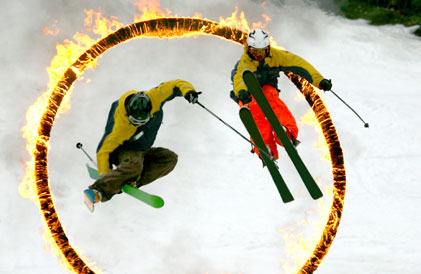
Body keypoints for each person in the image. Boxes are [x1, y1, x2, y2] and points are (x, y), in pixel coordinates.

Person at [83, 79, 201, 211]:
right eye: (134, 122)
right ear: (129, 114)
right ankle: (96, 192)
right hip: (122, 150)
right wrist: (105, 175)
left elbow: (175, 85)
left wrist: (188, 92)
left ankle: (132, 180)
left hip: (141, 149)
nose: (138, 125)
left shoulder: (155, 97)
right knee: (135, 164)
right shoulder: (120, 127)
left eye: (142, 121)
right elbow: (103, 151)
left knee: (169, 158)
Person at [230, 28, 332, 161]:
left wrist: (319, 81)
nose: (259, 55)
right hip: (246, 94)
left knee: (271, 98)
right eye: (255, 51)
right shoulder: (244, 63)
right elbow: (239, 79)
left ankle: (286, 132)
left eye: (262, 51)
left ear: (268, 48)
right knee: (255, 111)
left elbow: (300, 64)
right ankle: (265, 147)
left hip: (267, 87)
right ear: (249, 49)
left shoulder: (276, 56)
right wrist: (242, 92)